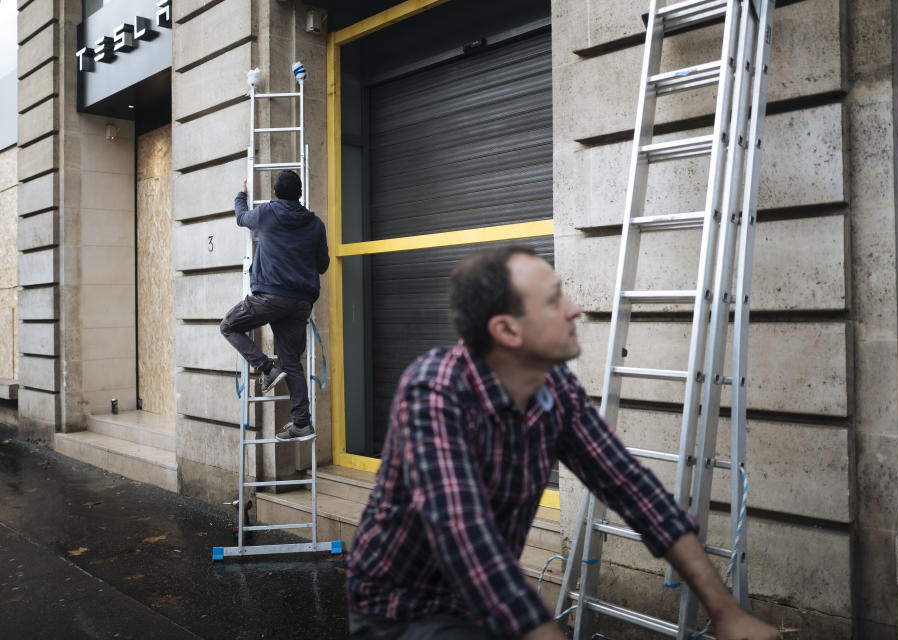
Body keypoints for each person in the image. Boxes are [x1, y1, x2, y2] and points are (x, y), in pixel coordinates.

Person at [346, 244, 778, 640]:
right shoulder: (434, 390)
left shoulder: (556, 390)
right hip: (404, 611)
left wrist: (727, 614)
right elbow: (465, 535)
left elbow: (633, 488)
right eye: (554, 300)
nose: (574, 310)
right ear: (508, 331)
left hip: (491, 603)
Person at [219, 170, 329, 440]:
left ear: (275, 193)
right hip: (301, 302)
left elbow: (241, 217)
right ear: (300, 194)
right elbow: (323, 265)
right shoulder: (316, 225)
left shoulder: (267, 213)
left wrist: (241, 194)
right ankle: (302, 423)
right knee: (293, 363)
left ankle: (267, 369)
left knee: (228, 326)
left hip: (270, 298)